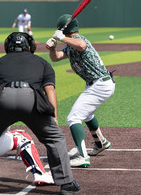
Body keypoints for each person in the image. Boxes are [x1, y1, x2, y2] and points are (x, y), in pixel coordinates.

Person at [0, 32, 80, 195]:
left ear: (9, 47)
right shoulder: (42, 62)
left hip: (2, 99)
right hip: (31, 99)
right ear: (30, 47)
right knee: (54, 138)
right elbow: (50, 90)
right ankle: (66, 184)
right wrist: (54, 116)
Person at [45, 14, 115, 168]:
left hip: (100, 84)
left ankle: (83, 157)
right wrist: (53, 48)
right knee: (87, 114)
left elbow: (81, 45)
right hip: (98, 84)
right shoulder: (71, 45)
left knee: (73, 118)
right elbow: (56, 58)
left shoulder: (79, 40)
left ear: (64, 29)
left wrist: (62, 38)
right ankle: (100, 142)